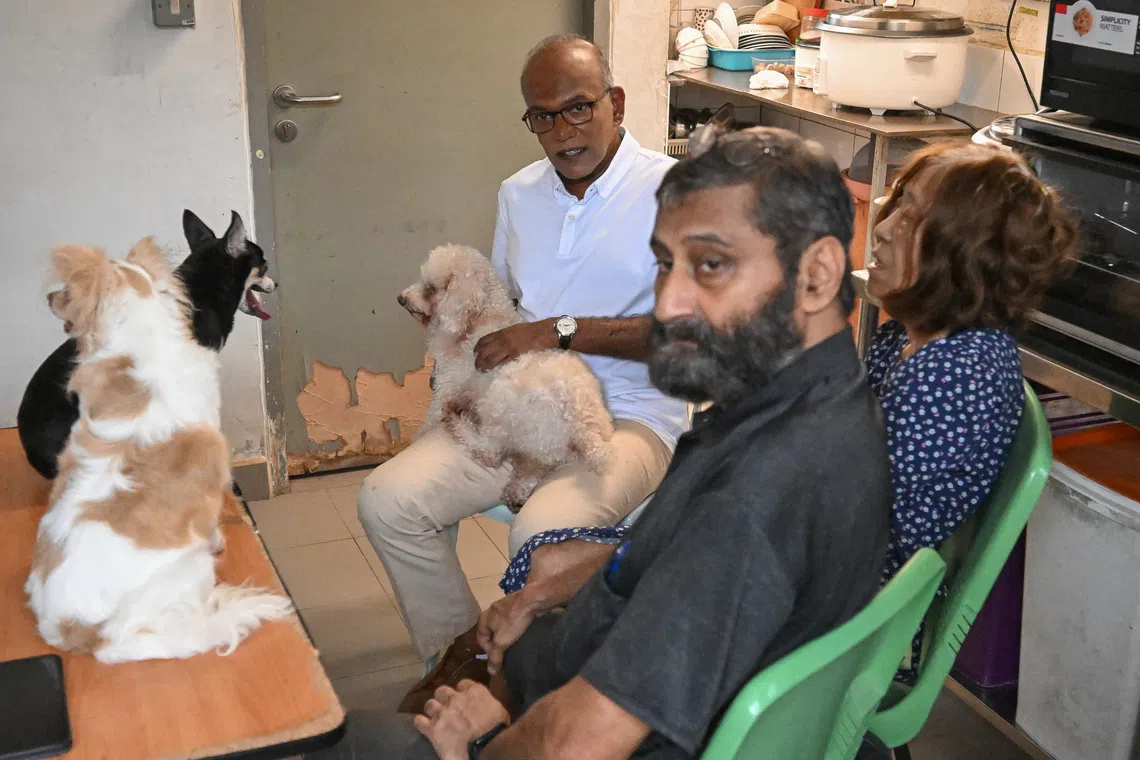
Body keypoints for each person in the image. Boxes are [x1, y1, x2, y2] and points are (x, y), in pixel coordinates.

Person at [311, 127, 892, 760]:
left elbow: (579, 742)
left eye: (712, 265)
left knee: (338, 744)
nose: (669, 304)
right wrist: (548, 590)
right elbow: (675, 559)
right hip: (572, 681)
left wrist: (484, 738)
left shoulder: (756, 497)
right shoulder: (816, 406)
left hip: (567, 735)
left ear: (818, 275)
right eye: (667, 266)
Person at [356, 32, 688, 682]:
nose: (563, 130)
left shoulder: (675, 193)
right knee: (388, 500)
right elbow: (504, 306)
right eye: (543, 115)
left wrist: (554, 332)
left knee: (542, 533)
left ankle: (555, 691)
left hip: (631, 418)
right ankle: (469, 671)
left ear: (616, 102)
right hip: (521, 411)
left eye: (579, 107)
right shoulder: (518, 194)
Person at [863, 142, 1077, 675]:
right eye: (895, 202)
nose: (884, 226)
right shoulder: (907, 338)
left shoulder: (954, 375)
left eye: (911, 218)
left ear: (962, 256)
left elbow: (858, 527)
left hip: (851, 626)